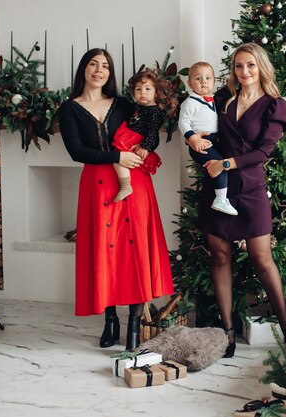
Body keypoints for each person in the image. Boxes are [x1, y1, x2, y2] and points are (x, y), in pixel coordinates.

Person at [59, 48, 174, 351]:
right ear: (83, 68)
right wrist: (116, 155)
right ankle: (111, 320)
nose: (99, 70)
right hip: (97, 186)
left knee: (136, 250)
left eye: (106, 66)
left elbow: (150, 127)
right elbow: (76, 152)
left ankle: (134, 327)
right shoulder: (69, 108)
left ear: (111, 72)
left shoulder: (124, 104)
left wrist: (142, 150)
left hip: (135, 184)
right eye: (93, 64)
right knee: (104, 251)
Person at [187, 43, 286, 357]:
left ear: (261, 67)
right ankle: (227, 333)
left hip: (250, 189)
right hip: (218, 189)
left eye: (250, 65)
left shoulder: (275, 105)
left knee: (262, 259)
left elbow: (263, 152)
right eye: (238, 66)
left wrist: (228, 163)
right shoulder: (221, 100)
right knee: (220, 258)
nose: (244, 72)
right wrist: (198, 147)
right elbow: (200, 131)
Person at [178, 62, 238, 215]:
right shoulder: (190, 102)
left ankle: (220, 198)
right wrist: (192, 139)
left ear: (214, 81)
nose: (204, 81)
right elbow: (183, 122)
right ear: (189, 83)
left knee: (219, 165)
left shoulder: (211, 99)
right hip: (201, 142)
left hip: (214, 140)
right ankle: (220, 199)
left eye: (208, 78)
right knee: (220, 165)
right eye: (198, 78)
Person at [112, 68, 176, 202]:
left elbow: (153, 132)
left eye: (148, 89)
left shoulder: (155, 112)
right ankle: (124, 184)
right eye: (138, 89)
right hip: (129, 136)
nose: (143, 93)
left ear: (156, 93)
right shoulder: (139, 108)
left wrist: (145, 147)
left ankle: (125, 186)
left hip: (136, 140)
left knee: (118, 158)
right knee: (116, 157)